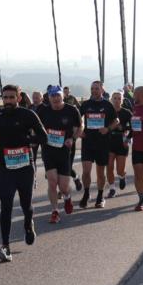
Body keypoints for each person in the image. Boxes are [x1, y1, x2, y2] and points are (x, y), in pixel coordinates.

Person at [0, 85, 47, 262]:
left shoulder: (28, 115)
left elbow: (43, 137)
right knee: (5, 207)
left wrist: (29, 140)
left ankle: (28, 224)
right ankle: (5, 246)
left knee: (25, 205)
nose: (8, 101)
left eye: (11, 98)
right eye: (5, 97)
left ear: (19, 98)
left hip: (25, 167)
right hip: (5, 168)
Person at [38, 86, 81, 223]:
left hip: (65, 151)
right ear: (48, 97)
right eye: (52, 96)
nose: (55, 98)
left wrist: (72, 139)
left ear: (62, 96)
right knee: (52, 181)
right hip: (48, 150)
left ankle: (67, 198)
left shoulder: (71, 110)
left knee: (63, 187)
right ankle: (55, 211)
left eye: (58, 95)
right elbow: (35, 127)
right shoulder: (43, 110)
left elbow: (80, 126)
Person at [78, 81, 119, 208]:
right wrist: (80, 129)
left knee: (100, 173)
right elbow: (79, 119)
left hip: (102, 142)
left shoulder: (107, 105)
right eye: (92, 89)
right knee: (86, 171)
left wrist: (107, 129)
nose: (94, 91)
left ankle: (100, 196)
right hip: (88, 142)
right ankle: (86, 193)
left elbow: (116, 120)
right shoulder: (85, 104)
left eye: (96, 88)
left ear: (102, 90)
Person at [105, 90, 133, 198]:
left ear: (122, 100)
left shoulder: (127, 113)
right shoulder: (107, 112)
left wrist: (125, 131)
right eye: (115, 98)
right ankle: (112, 188)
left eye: (119, 98)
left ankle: (122, 177)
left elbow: (133, 128)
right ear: (111, 99)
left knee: (120, 170)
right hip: (109, 141)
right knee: (109, 167)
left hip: (122, 142)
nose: (117, 100)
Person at [61, 86, 83, 191]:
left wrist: (73, 138)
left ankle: (76, 178)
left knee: (67, 166)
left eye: (66, 92)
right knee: (58, 169)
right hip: (56, 143)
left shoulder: (72, 108)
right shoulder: (52, 108)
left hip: (69, 141)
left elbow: (79, 108)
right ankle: (62, 190)